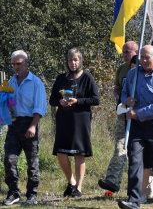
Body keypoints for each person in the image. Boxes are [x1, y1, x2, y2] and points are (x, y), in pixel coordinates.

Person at [118, 45, 153, 209]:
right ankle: (134, 200)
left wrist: (137, 112)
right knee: (134, 161)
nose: (143, 60)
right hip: (136, 126)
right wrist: (126, 100)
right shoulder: (132, 74)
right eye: (141, 57)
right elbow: (124, 93)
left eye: (147, 57)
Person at [98, 41, 151, 196]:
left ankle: (147, 185)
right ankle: (113, 181)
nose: (125, 55)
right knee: (120, 146)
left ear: (136, 52)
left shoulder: (145, 69)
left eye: (128, 52)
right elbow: (117, 89)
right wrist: (119, 97)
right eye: (124, 52)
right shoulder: (121, 69)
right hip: (124, 113)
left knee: (141, 152)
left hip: (141, 116)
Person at [49, 48, 100, 197]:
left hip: (81, 120)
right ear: (67, 61)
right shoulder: (60, 79)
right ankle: (70, 182)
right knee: (60, 152)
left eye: (76, 60)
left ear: (80, 61)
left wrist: (77, 101)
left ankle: (78, 187)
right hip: (63, 120)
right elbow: (52, 100)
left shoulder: (87, 77)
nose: (73, 63)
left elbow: (95, 100)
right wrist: (60, 101)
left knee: (79, 154)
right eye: (70, 60)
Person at [3, 50, 47, 206]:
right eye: (13, 64)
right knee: (9, 160)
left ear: (27, 62)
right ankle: (14, 193)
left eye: (19, 63)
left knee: (32, 162)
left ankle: (32, 194)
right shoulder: (9, 82)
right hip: (14, 125)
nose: (16, 67)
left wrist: (33, 126)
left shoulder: (36, 82)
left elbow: (40, 106)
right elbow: (6, 105)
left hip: (30, 123)